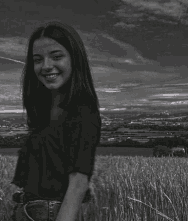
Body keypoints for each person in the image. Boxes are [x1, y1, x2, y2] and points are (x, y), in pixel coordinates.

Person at [10, 21, 102, 221]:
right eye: (37, 59)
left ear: (74, 59)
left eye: (56, 56)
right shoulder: (43, 109)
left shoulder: (82, 110)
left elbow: (79, 181)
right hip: (30, 210)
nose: (46, 66)